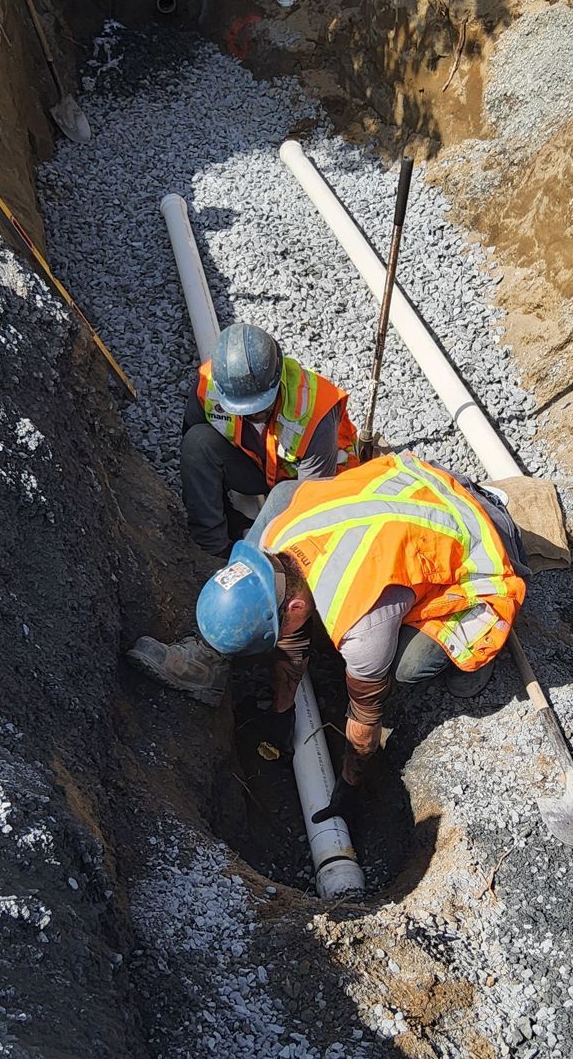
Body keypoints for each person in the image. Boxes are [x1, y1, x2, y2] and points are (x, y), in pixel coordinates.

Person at [136, 450, 526, 823]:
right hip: (419, 488)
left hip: (485, 542)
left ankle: (481, 655)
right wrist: (282, 710)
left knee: (409, 666)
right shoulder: (278, 534)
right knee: (290, 499)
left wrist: (350, 785)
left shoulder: (362, 625)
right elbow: (290, 636)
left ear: (292, 610)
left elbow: (365, 717)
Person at [182, 322, 357, 556]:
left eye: (260, 406)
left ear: (277, 378)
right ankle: (211, 550)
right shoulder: (209, 385)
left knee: (282, 495)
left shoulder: (315, 411)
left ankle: (260, 559)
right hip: (259, 466)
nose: (253, 414)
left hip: (306, 483)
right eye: (243, 409)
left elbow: (310, 503)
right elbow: (193, 456)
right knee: (197, 443)